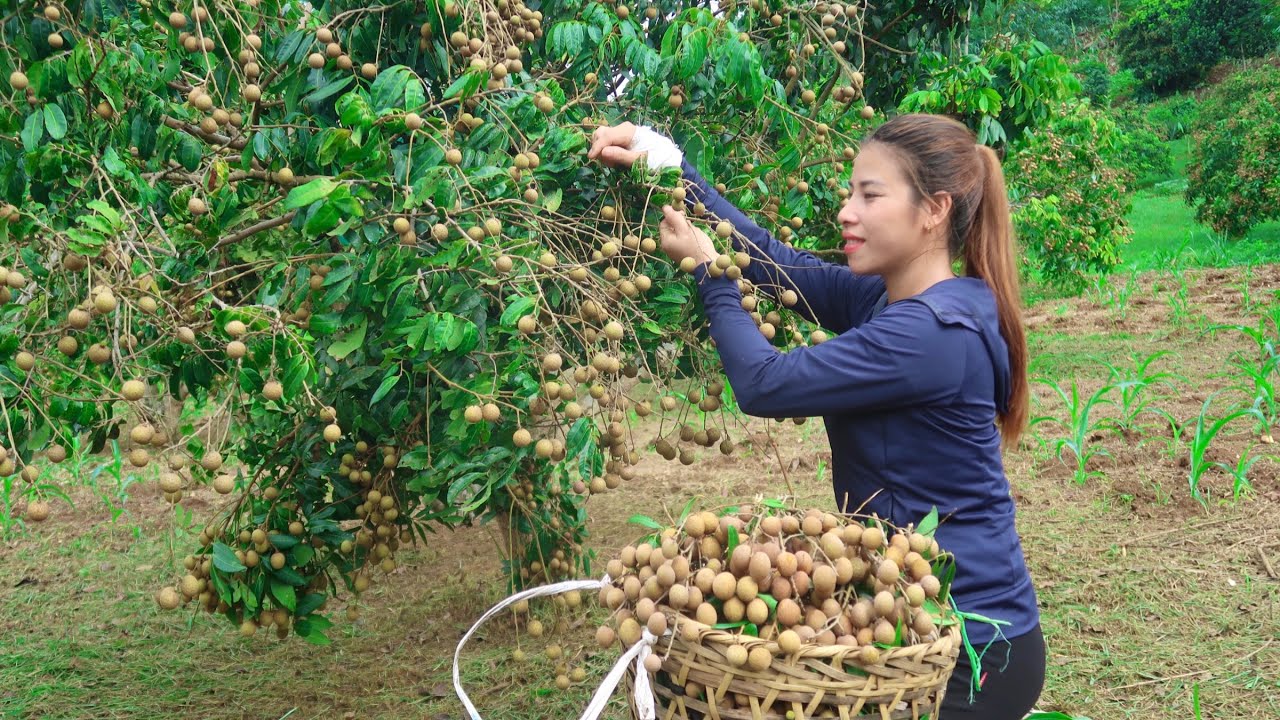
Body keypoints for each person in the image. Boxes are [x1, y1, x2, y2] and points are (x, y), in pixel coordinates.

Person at [588, 114, 1045, 719]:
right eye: (850, 192)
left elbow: (764, 384)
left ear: (933, 210)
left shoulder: (928, 333)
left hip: (968, 649)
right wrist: (669, 166)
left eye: (869, 195)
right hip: (913, 624)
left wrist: (709, 274)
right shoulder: (900, 297)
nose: (846, 211)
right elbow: (776, 264)